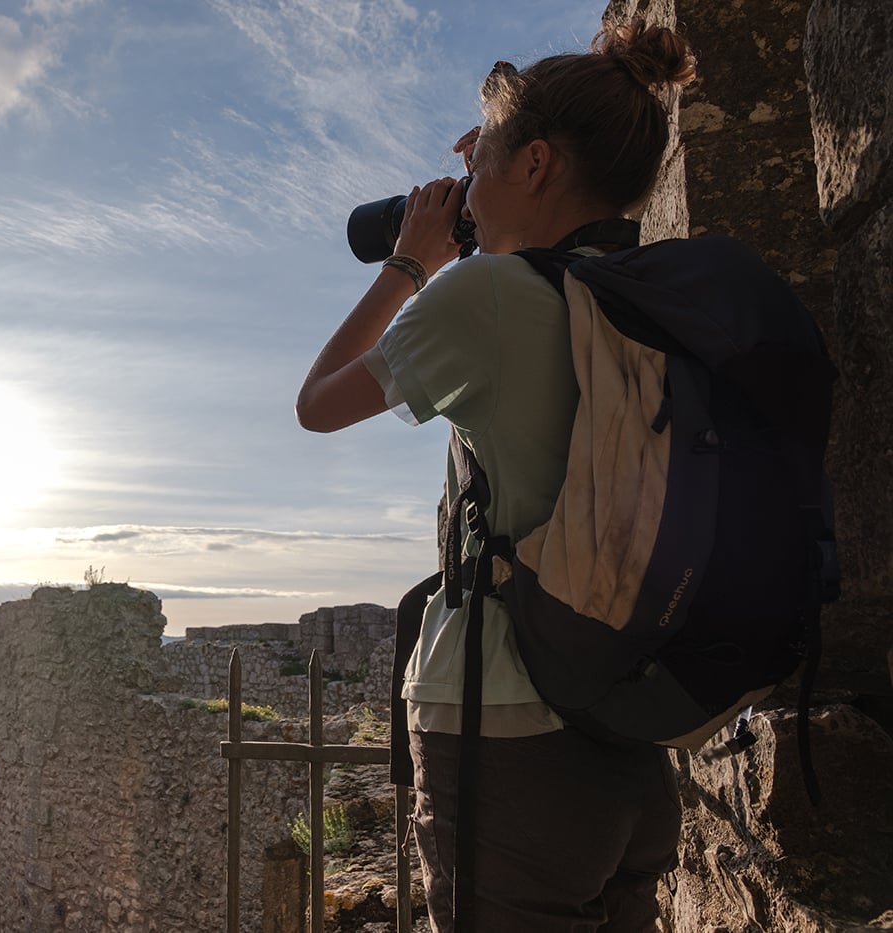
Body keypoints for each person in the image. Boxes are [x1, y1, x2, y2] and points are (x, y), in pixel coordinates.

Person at [296, 16, 698, 933]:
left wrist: (409, 261)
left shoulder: (486, 297)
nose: (463, 192)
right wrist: (509, 153)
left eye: (481, 169)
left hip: (509, 727)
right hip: (626, 728)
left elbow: (318, 401)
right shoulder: (653, 291)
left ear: (539, 165)